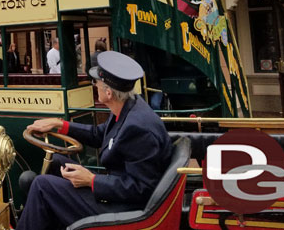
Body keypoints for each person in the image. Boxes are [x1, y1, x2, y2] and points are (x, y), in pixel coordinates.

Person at [15, 51, 172, 230]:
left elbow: (141, 189)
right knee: (56, 163)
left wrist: (91, 180)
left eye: (96, 82)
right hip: (117, 194)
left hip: (126, 209)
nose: (94, 85)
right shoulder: (128, 107)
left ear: (108, 92)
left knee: (41, 186)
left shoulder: (137, 128)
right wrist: (59, 124)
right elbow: (99, 135)